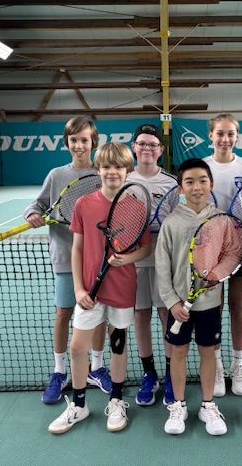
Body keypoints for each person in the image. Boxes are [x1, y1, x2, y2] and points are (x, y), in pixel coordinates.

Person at [48, 141, 152, 434]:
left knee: (118, 345)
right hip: (89, 293)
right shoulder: (84, 204)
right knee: (77, 347)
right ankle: (79, 404)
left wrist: (125, 259)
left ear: (128, 170)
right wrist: (79, 289)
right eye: (106, 166)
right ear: (98, 169)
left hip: (122, 290)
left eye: (118, 167)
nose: (112, 172)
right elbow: (77, 249)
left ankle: (116, 401)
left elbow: (145, 248)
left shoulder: (136, 207)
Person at [24, 116, 111, 404]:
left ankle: (96, 367)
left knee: (98, 314)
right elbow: (38, 204)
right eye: (74, 140)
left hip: (98, 258)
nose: (79, 145)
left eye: (84, 140)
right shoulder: (56, 175)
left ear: (93, 142)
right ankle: (60, 371)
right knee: (63, 313)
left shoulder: (103, 173)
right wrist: (32, 214)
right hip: (64, 256)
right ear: (67, 142)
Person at [156, 158, 228, 436]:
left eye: (202, 180)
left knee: (208, 351)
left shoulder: (221, 220)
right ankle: (179, 404)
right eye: (189, 182)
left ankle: (208, 405)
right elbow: (162, 266)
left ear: (211, 184)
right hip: (179, 306)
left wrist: (217, 275)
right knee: (178, 353)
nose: (196, 187)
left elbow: (230, 254)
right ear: (180, 188)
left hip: (209, 303)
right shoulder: (171, 223)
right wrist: (172, 301)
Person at [203, 113, 242, 397]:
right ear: (211, 135)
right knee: (213, 308)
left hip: (239, 247)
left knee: (236, 306)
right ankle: (216, 365)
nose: (225, 139)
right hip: (211, 249)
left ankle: (237, 366)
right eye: (220, 133)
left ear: (237, 136)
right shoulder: (203, 166)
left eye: (230, 134)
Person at [127, 124, 177, 407]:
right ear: (134, 147)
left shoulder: (171, 183)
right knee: (140, 315)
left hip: (163, 260)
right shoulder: (124, 179)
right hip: (133, 261)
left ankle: (171, 373)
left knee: (165, 314)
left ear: (161, 150)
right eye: (142, 143)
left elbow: (176, 220)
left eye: (152, 144)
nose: (147, 148)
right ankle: (149, 374)